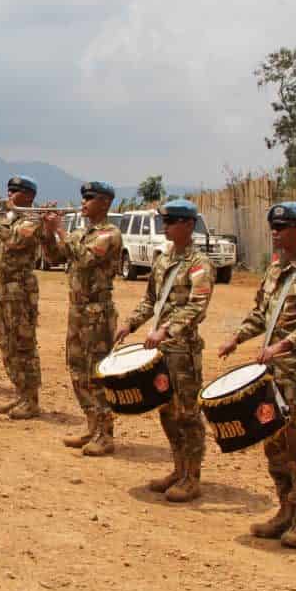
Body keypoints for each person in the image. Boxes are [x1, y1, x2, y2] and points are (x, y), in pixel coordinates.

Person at [218, 201, 296, 549]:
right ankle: (285, 510)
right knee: (274, 442)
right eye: (273, 226)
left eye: (283, 227)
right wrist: (237, 337)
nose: (275, 232)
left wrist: (284, 345)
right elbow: (261, 314)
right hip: (272, 374)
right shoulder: (274, 271)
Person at [115, 199, 213, 499]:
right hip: (158, 352)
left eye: (170, 222)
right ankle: (178, 468)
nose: (165, 227)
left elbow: (197, 307)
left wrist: (165, 330)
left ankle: (192, 477)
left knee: (187, 414)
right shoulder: (163, 259)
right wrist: (130, 324)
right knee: (167, 412)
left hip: (182, 352)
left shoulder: (199, 265)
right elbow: (150, 300)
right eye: (164, 223)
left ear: (187, 225)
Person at [41, 181, 123, 455]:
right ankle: (91, 425)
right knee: (77, 370)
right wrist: (47, 233)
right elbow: (53, 257)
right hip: (77, 310)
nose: (84, 202)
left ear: (105, 203)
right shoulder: (81, 232)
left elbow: (86, 258)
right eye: (84, 198)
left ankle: (106, 434)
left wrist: (61, 231)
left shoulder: (109, 234)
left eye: (91, 198)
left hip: (97, 313)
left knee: (96, 373)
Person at [0, 176, 44, 419]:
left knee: (23, 344)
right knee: (6, 343)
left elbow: (15, 241)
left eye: (16, 190)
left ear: (28, 196)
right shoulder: (10, 220)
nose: (10, 194)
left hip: (21, 291)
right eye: (9, 189)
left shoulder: (32, 220)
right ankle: (20, 392)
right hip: (5, 290)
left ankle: (31, 398)